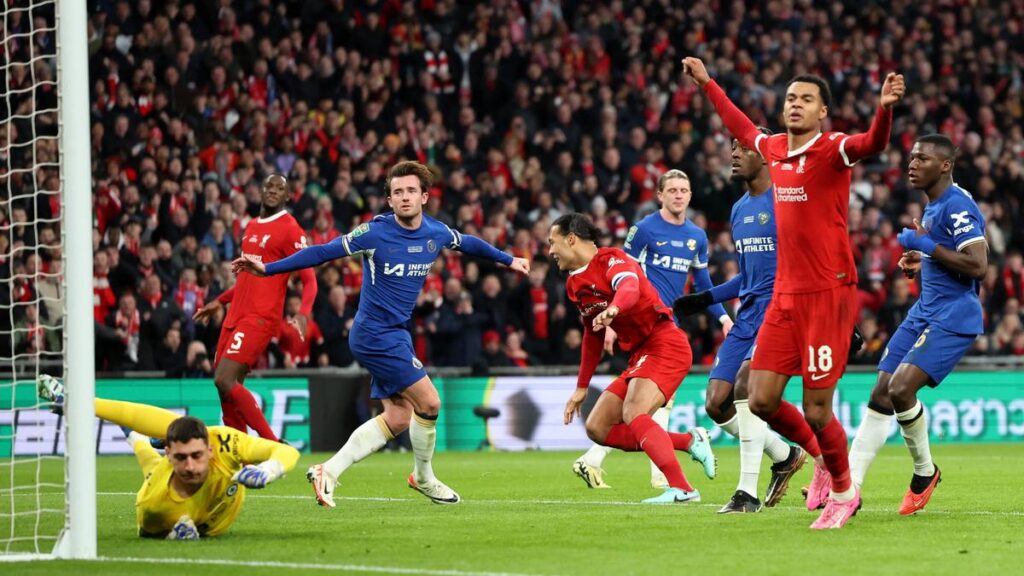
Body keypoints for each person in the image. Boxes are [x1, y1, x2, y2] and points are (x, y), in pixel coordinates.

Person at [683, 56, 905, 528]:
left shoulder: (833, 148)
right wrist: (707, 83)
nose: (796, 105)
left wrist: (884, 109)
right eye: (790, 99)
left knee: (817, 407)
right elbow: (741, 125)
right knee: (759, 397)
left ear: (823, 110)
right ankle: (821, 459)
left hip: (827, 294)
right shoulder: (775, 148)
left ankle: (845, 492)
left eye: (806, 99)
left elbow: (873, 142)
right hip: (785, 296)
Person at [233, 160, 529, 507]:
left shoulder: (435, 233)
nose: (404, 197)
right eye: (397, 192)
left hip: (396, 333)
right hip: (373, 334)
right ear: (389, 200)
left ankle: (328, 470)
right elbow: (321, 252)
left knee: (400, 417)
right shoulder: (373, 233)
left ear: (424, 197)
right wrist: (268, 268)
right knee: (431, 402)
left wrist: (508, 260)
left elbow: (470, 244)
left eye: (410, 191)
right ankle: (424, 477)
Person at [848, 134, 987, 515]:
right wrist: (921, 260)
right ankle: (848, 488)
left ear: (945, 165)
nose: (912, 164)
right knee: (880, 392)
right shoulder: (933, 205)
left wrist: (926, 248)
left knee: (899, 389)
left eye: (922, 159)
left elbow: (978, 266)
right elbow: (944, 255)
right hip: (925, 309)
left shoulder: (956, 206)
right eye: (911, 158)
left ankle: (925, 473)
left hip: (954, 314)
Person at [673, 131, 811, 513]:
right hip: (747, 312)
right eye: (732, 147)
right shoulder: (739, 209)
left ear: (766, 156)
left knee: (746, 385)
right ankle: (784, 456)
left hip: (780, 309)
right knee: (716, 403)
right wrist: (706, 298)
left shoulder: (786, 201)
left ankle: (745, 493)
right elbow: (749, 278)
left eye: (742, 148)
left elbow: (810, 260)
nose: (733, 154)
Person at [572, 168, 733, 490]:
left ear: (690, 195)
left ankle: (599, 460)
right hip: (639, 322)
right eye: (671, 190)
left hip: (665, 326)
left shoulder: (697, 237)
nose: (678, 195)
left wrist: (724, 318)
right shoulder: (644, 230)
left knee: (645, 405)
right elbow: (619, 275)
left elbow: (703, 284)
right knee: (640, 407)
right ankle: (666, 464)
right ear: (659, 195)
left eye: (683, 190)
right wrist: (614, 322)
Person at [550, 213, 715, 504]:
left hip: (665, 343)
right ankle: (689, 441)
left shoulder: (614, 260)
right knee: (597, 427)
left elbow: (629, 287)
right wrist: (581, 386)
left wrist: (615, 308)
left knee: (634, 413)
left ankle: (683, 489)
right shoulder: (573, 284)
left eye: (553, 242)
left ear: (571, 239)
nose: (550, 250)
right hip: (640, 353)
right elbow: (592, 334)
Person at [37, 375, 298, 540]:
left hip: (205, 487)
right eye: (182, 458)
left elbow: (287, 451)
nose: (191, 466)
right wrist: (169, 534)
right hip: (177, 499)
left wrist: (270, 469)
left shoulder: (224, 442)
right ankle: (136, 437)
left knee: (170, 428)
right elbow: (144, 531)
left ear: (209, 450)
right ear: (170, 455)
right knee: (151, 467)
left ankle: (79, 405)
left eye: (197, 455)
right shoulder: (154, 504)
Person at [193, 173, 317, 442]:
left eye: (279, 188)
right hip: (234, 316)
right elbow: (248, 280)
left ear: (287, 196)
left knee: (224, 380)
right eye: (269, 185)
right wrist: (220, 301)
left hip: (260, 318)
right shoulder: (251, 226)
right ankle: (240, 455)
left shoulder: (290, 229)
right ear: (260, 190)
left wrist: (303, 313)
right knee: (226, 390)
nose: (273, 190)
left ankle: (271, 442)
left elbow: (310, 280)